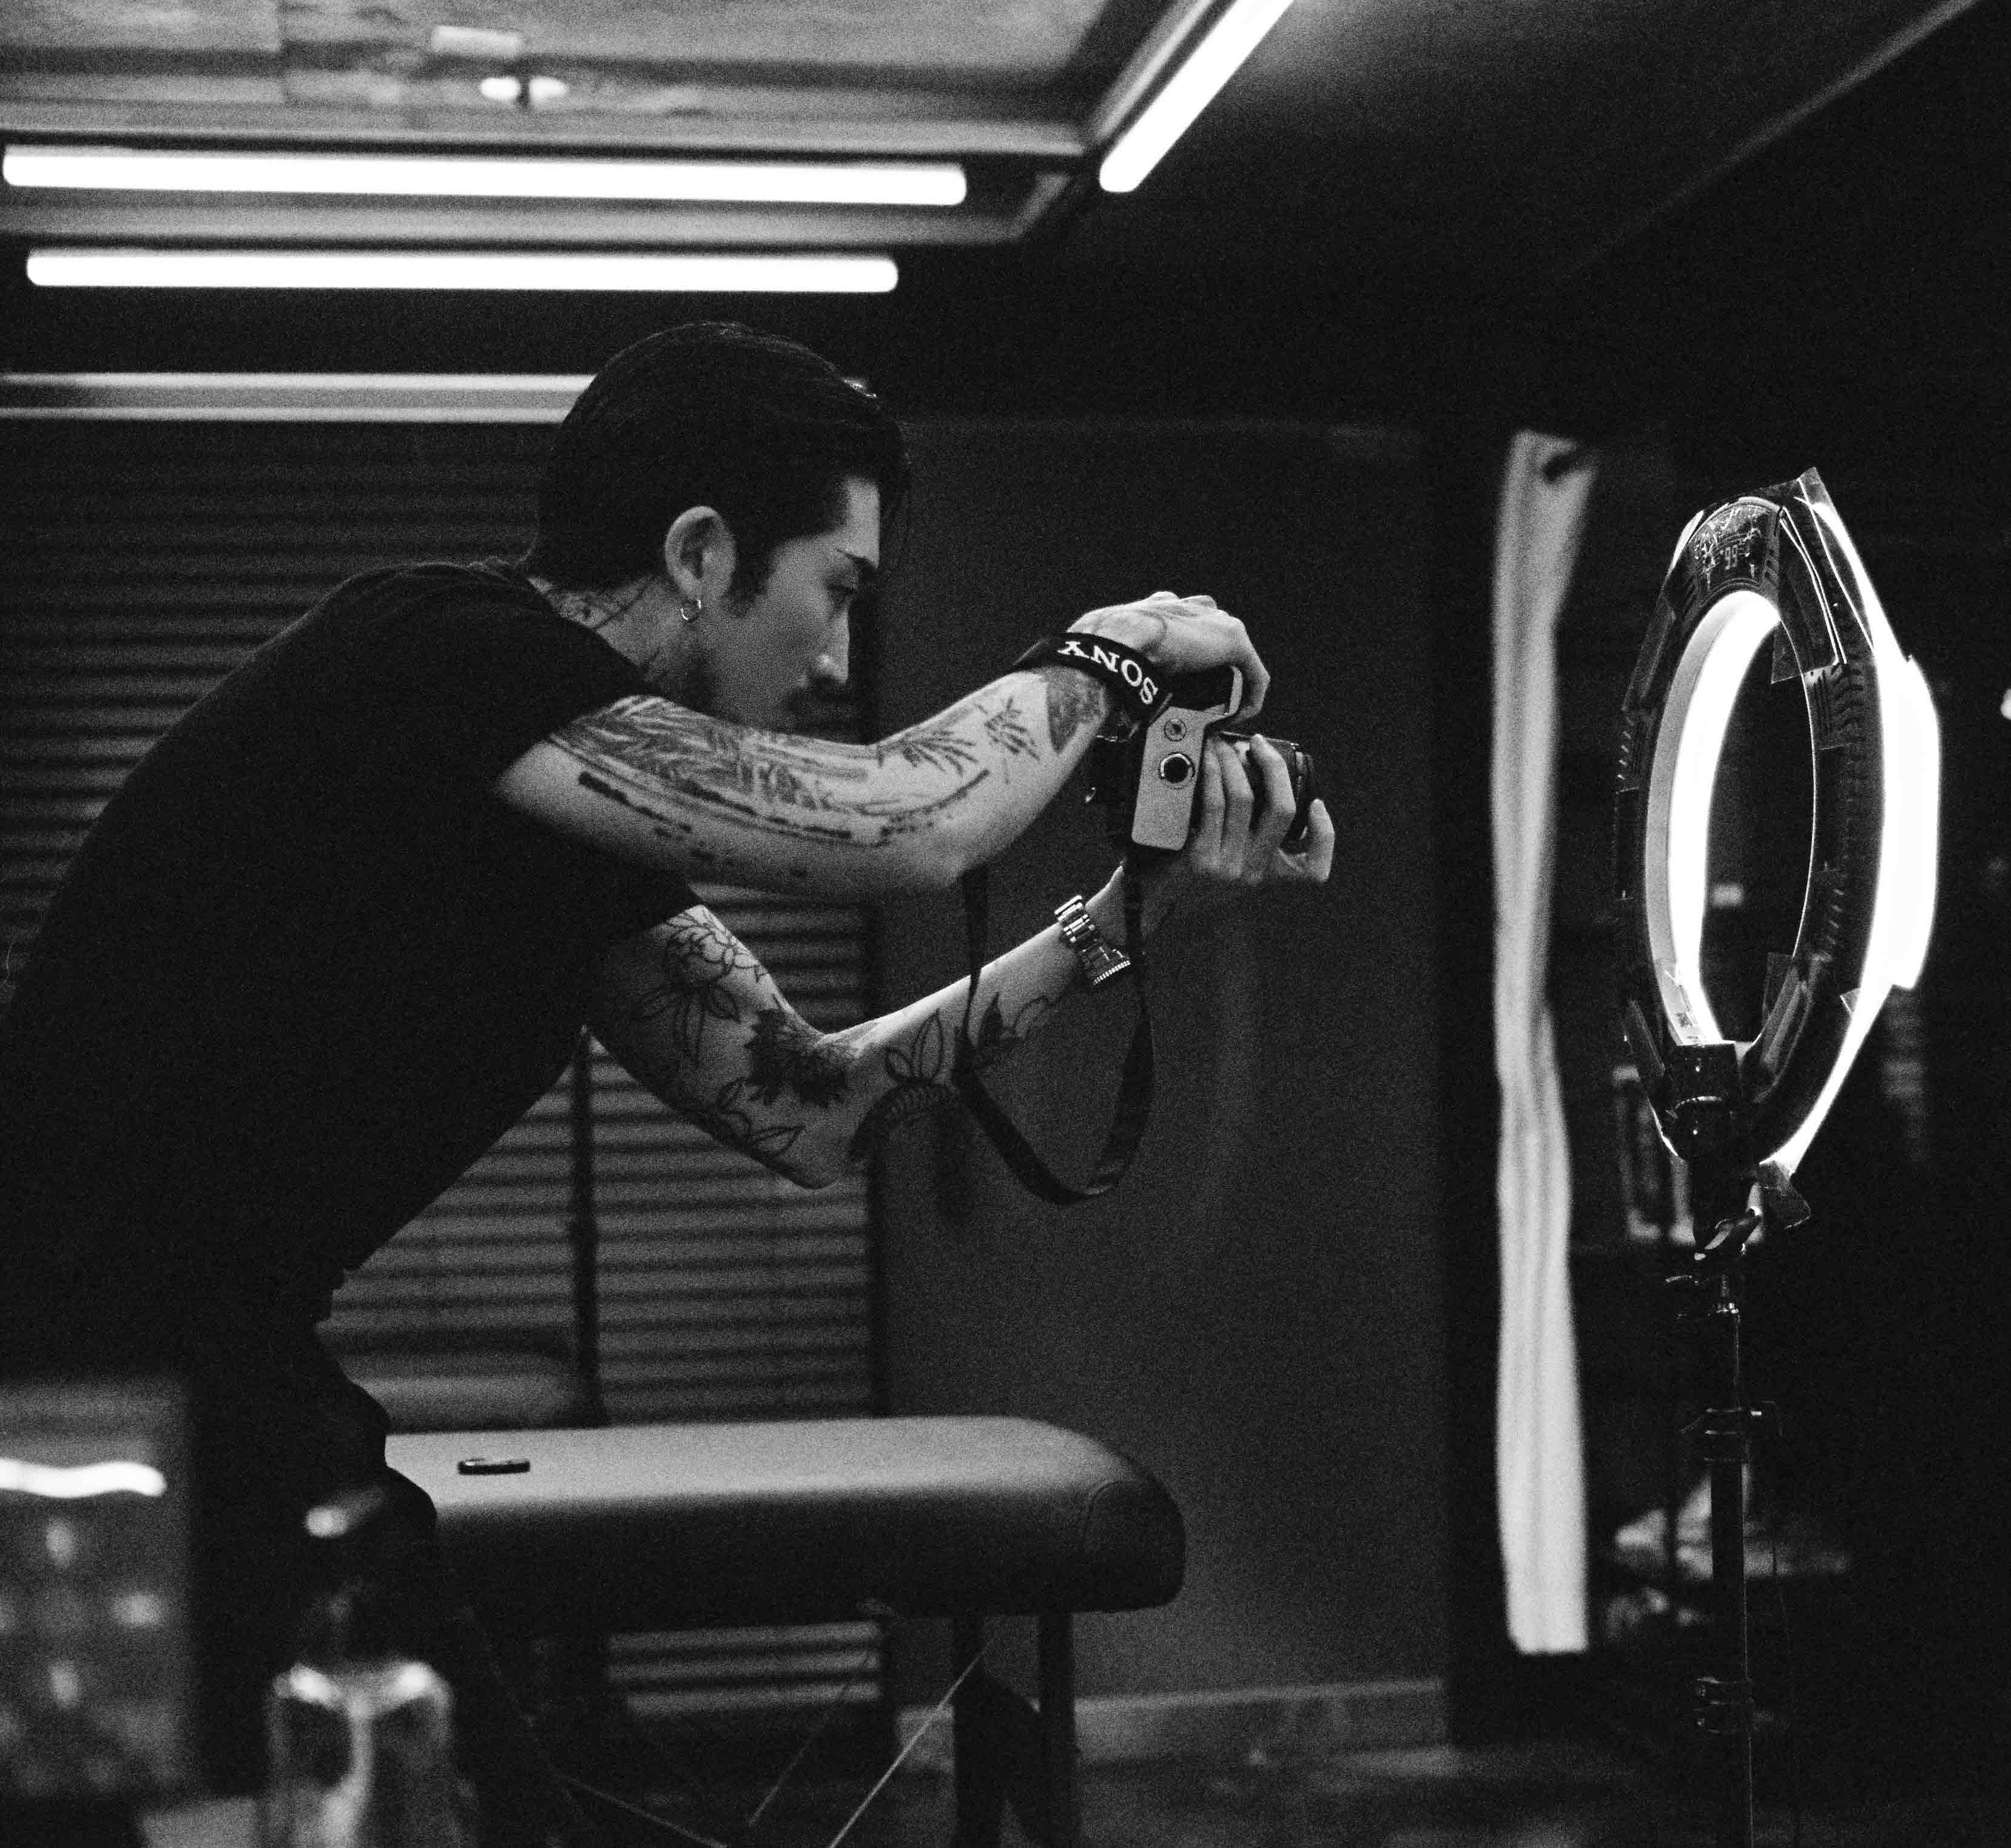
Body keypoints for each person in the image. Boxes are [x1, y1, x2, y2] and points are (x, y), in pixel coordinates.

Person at [0, 321, 1335, 1844]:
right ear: (702, 553)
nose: (836, 662)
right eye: (838, 590)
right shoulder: (438, 651)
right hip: (81, 1393)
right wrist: (1105, 661)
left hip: (202, 1376)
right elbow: (903, 819)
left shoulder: (569, 817)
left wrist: (1124, 924)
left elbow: (811, 1110)